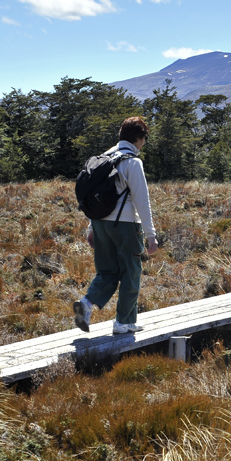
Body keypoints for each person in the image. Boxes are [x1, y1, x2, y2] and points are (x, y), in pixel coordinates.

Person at [73, 116, 158, 334]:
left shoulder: (104, 158)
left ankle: (86, 304)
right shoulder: (132, 162)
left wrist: (92, 227)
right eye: (144, 138)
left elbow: (96, 197)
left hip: (100, 224)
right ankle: (124, 322)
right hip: (126, 226)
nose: (144, 143)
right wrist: (151, 235)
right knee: (131, 272)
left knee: (107, 271)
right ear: (138, 138)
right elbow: (142, 201)